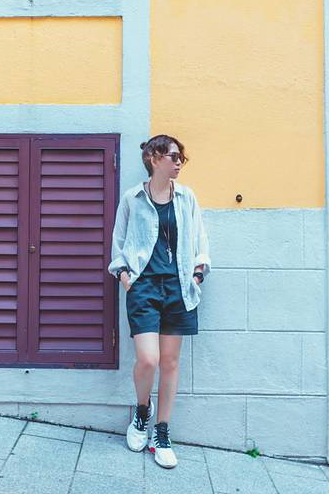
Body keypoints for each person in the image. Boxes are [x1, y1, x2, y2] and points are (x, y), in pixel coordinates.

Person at [107, 134, 211, 469]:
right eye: (173, 157)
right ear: (154, 158)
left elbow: (199, 237)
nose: (179, 162)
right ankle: (142, 411)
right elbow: (118, 242)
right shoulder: (133, 198)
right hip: (143, 287)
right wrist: (125, 277)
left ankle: (161, 433)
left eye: (181, 158)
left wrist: (198, 273)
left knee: (170, 363)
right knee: (148, 359)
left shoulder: (186, 197)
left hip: (179, 287)